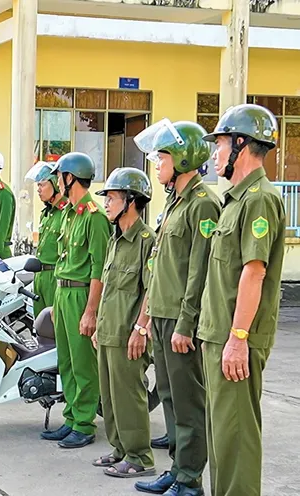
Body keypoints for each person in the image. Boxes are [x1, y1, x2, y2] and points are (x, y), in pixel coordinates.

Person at [198, 104, 285, 496]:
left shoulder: (259, 199)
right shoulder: (235, 199)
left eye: (219, 145)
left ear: (240, 144)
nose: (215, 154)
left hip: (235, 338)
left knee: (236, 439)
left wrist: (238, 337)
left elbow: (254, 271)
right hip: (217, 333)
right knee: (221, 441)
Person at [132, 119, 219, 496]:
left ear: (184, 157)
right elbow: (159, 265)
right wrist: (149, 316)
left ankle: (189, 479)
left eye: (162, 155)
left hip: (182, 320)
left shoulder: (203, 205)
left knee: (188, 404)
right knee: (168, 398)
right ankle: (177, 467)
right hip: (163, 315)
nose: (156, 161)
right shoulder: (174, 203)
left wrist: (185, 323)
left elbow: (199, 273)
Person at [41, 152, 111, 449]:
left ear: (71, 178)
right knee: (66, 361)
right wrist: (57, 304)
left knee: (84, 363)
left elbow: (99, 268)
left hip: (82, 294)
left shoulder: (94, 217)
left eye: (60, 176)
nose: (57, 181)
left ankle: (84, 423)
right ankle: (70, 418)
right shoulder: (69, 213)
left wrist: (91, 311)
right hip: (62, 292)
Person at [91, 168, 157, 478]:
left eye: (112, 198)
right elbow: (108, 286)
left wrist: (141, 328)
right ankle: (120, 449)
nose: (106, 203)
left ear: (130, 201)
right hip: (109, 330)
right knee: (110, 396)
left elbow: (151, 289)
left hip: (129, 333)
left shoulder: (146, 240)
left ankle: (140, 457)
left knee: (130, 396)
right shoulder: (115, 239)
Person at [24, 161, 68, 319]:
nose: (38, 190)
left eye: (42, 185)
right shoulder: (46, 213)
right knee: (40, 325)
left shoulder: (65, 213)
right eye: (38, 186)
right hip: (40, 276)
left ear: (55, 184)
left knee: (54, 325)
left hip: (53, 276)